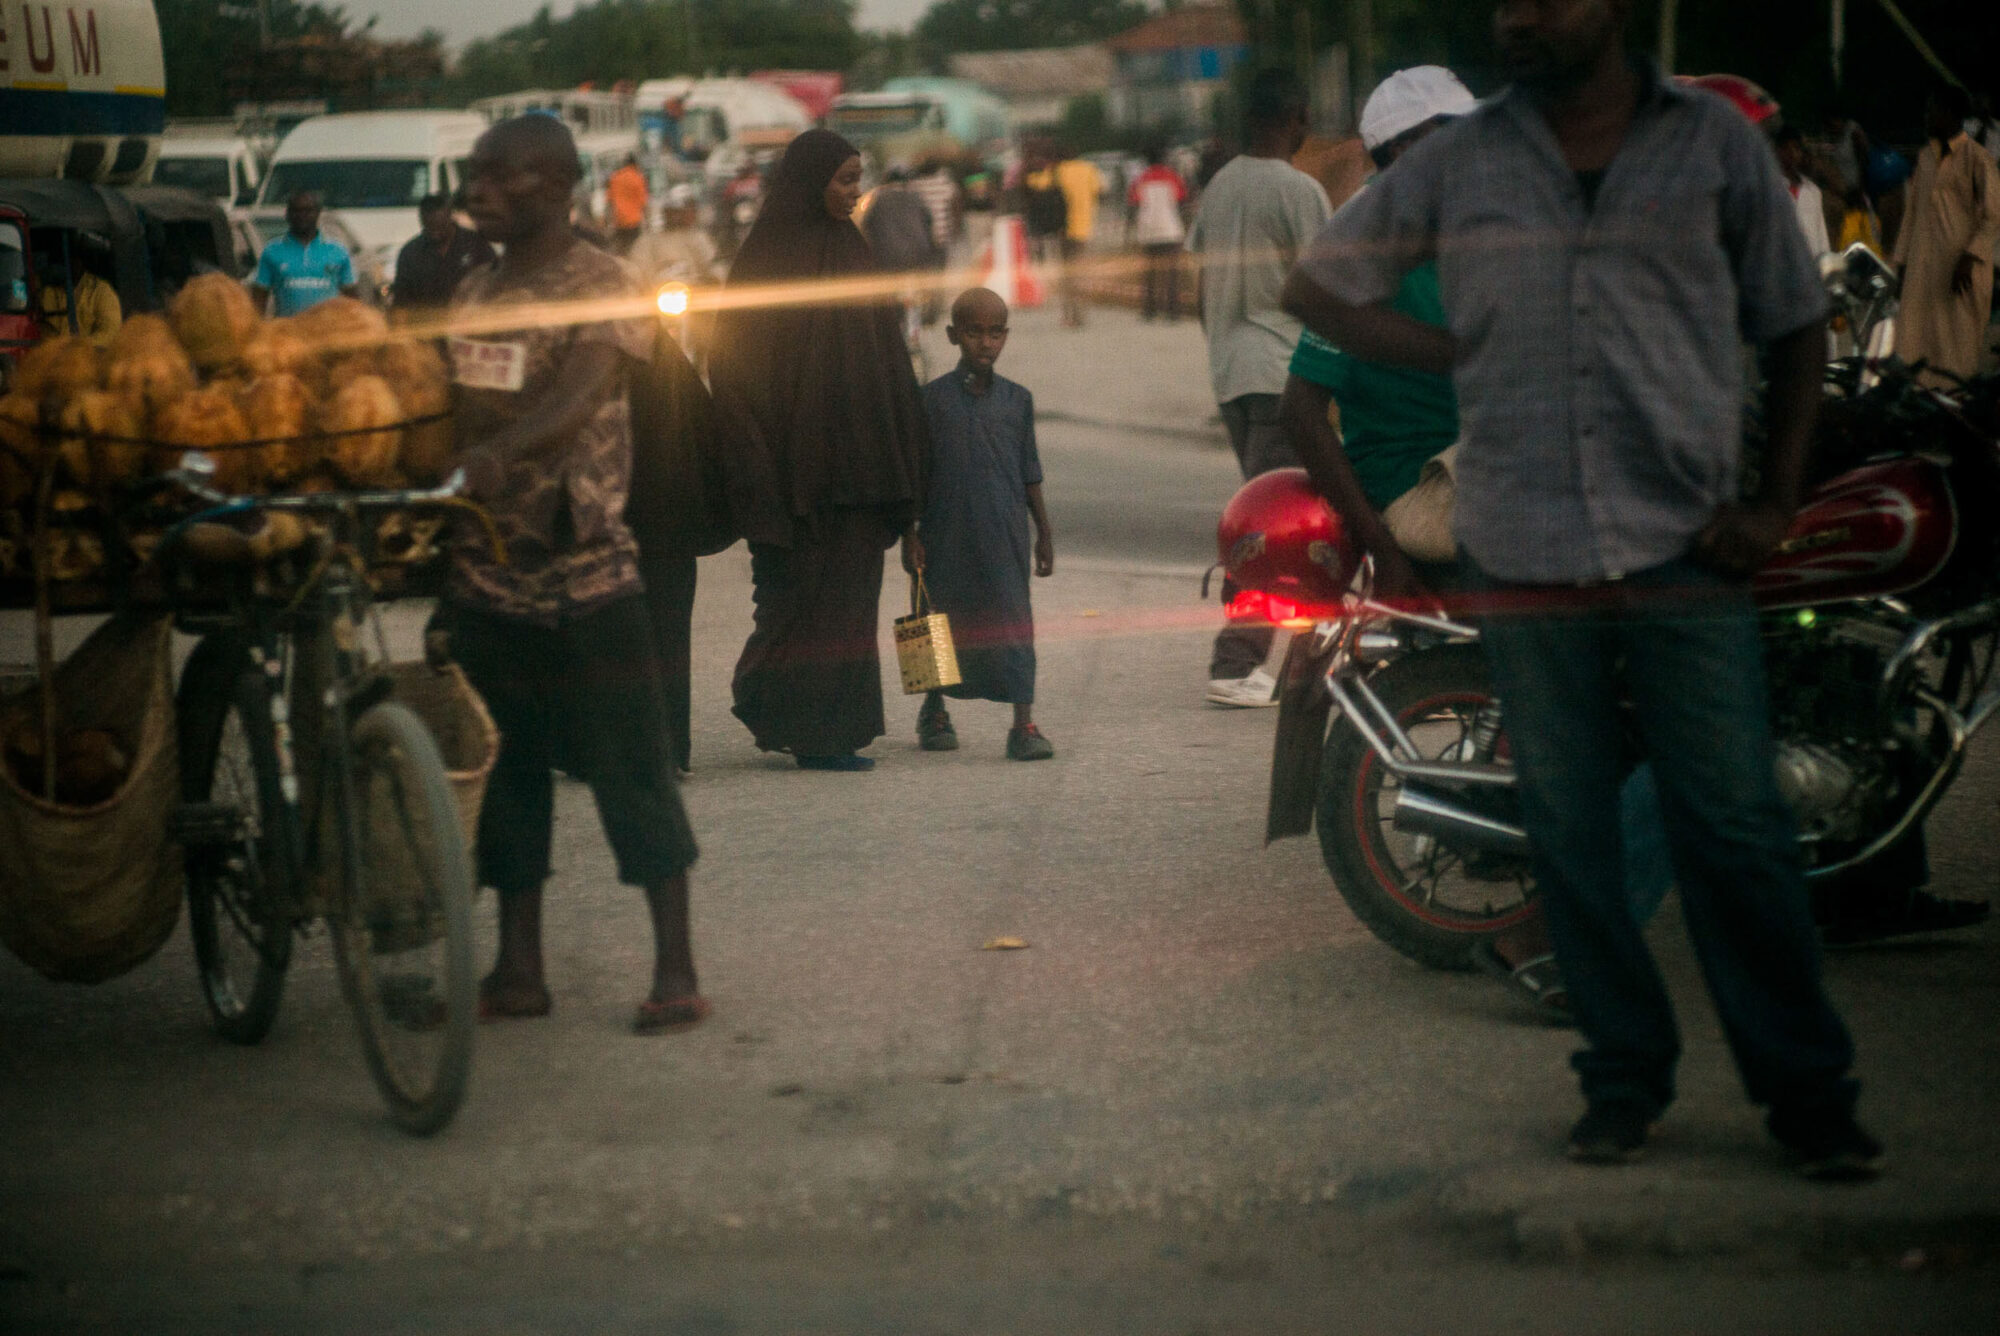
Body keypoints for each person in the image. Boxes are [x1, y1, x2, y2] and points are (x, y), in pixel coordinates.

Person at [1285, 0, 1878, 1178]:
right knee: (1568, 828)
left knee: (1732, 822)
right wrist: (1459, 356)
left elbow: (1799, 319)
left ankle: (1804, 1094)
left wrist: (1769, 502)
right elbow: (1317, 290)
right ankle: (1621, 1078)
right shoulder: (1462, 161)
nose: (1518, 18)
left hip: (1681, 541)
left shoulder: (1706, 145)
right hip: (1520, 546)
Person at [435, 114, 705, 1034]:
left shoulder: (606, 284)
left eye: (495, 176)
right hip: (487, 577)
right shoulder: (474, 290)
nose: (477, 189)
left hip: (588, 575)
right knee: (504, 778)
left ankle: (676, 968)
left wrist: (501, 452)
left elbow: (578, 393)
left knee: (632, 772)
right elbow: (450, 407)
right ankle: (519, 969)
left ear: (551, 184)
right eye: (474, 174)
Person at [708, 130, 931, 772]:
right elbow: (736, 368)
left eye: (858, 179)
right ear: (810, 182)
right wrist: (758, 470)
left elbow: (889, 363)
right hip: (794, 476)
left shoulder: (854, 255)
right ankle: (784, 713)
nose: (854, 193)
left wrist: (905, 461)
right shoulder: (765, 261)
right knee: (796, 600)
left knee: (849, 601)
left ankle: (833, 733)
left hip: (858, 473)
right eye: (843, 181)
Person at [1187, 68, 1333, 708]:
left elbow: (1200, 290)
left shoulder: (1219, 187)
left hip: (1231, 375)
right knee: (1282, 530)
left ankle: (1306, 657)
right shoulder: (1299, 191)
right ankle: (1236, 662)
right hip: (1282, 374)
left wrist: (1220, 347)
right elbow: (1327, 291)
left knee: (1266, 518)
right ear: (1294, 117)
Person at [905, 288, 1055, 761]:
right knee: (932, 619)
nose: (985, 343)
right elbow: (913, 475)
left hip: (1003, 531)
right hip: (942, 532)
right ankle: (933, 711)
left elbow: (1030, 472)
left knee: (1013, 621)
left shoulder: (1017, 401)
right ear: (953, 335)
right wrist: (908, 534)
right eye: (973, 332)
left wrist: (1044, 534)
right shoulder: (930, 402)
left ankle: (1023, 724)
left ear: (1006, 336)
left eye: (995, 333)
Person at [1893, 86, 2000, 385]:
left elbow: (1993, 214)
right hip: (1923, 270)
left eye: (1932, 111)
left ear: (1951, 115)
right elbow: (1911, 215)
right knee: (1915, 351)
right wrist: (1900, 263)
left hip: (1960, 273)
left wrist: (1970, 256)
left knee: (1956, 355)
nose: (1927, 117)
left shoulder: (1978, 159)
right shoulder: (1925, 157)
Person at [250, 191, 359, 316]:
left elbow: (352, 299)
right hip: (288, 331)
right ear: (287, 214)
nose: (302, 215)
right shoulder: (272, 251)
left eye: (308, 211)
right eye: (296, 211)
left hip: (328, 331)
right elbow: (259, 298)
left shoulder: (337, 251)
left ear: (317, 213)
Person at [391, 193, 496, 321]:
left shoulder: (476, 245)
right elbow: (401, 302)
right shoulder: (410, 253)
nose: (435, 234)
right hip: (428, 331)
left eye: (440, 227)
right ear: (422, 221)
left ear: (450, 218)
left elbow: (494, 284)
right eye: (429, 228)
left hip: (468, 326)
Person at [1129, 147, 1189, 321]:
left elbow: (1134, 202)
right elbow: (1181, 199)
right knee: (1171, 274)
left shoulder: (1140, 179)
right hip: (1170, 230)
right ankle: (1172, 312)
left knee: (1149, 274)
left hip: (1148, 232)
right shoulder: (1173, 177)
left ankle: (1149, 311)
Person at [34, 239, 121, 343]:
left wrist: (80, 348)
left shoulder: (100, 291)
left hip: (87, 356)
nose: (65, 266)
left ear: (81, 262)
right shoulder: (44, 291)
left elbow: (109, 331)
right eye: (60, 261)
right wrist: (40, 278)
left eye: (70, 260)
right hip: (47, 355)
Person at [1774, 127, 1832, 259]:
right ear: (1778, 151)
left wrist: (1825, 262)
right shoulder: (1771, 189)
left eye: (1796, 148)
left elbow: (1821, 233)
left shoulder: (1813, 191)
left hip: (1811, 263)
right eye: (1786, 148)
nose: (1792, 153)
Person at [607, 153, 650, 254]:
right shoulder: (638, 178)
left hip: (619, 222)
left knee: (620, 251)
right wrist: (647, 220)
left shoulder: (615, 177)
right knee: (632, 251)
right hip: (633, 222)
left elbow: (610, 202)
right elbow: (643, 203)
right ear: (635, 164)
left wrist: (608, 221)